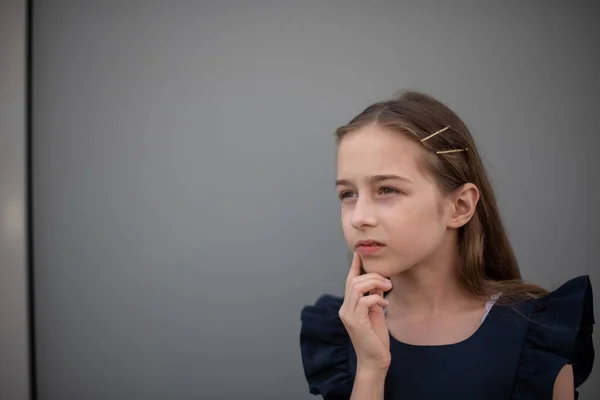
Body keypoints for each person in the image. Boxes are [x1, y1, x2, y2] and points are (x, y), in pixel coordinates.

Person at [299, 91, 594, 399]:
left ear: (460, 206)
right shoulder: (344, 331)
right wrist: (371, 369)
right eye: (348, 194)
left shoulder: (535, 336)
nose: (359, 217)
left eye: (387, 189)